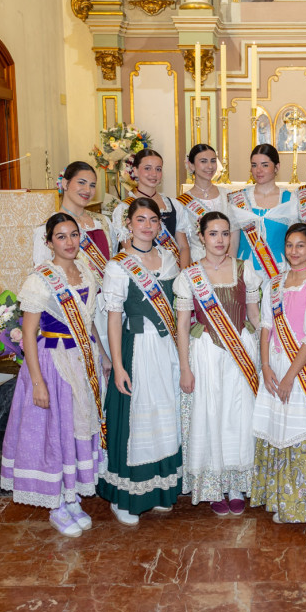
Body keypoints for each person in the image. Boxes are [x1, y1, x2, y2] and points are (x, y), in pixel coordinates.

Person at [0, 213, 106, 537]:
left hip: (83, 360)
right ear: (48, 243)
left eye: (74, 234)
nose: (70, 242)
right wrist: (37, 382)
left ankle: (72, 496)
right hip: (53, 362)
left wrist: (102, 353)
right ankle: (57, 503)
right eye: (61, 236)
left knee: (77, 430)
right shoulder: (40, 279)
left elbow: (88, 321)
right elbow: (29, 333)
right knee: (55, 432)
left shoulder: (86, 270)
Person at [97, 197, 183, 525]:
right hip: (136, 348)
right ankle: (125, 497)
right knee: (134, 419)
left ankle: (159, 490)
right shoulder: (118, 265)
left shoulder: (169, 259)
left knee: (165, 415)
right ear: (129, 223)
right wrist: (117, 365)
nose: (147, 226)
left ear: (159, 225)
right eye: (141, 219)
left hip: (166, 349)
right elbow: (113, 319)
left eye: (153, 220)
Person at [251, 224, 306, 523]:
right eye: (290, 245)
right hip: (275, 365)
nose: (294, 251)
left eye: (300, 245)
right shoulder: (274, 284)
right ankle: (279, 496)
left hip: (302, 369)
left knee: (297, 430)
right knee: (277, 429)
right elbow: (265, 326)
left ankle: (299, 502)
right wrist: (265, 366)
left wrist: (290, 376)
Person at [174, 212, 262, 515]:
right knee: (210, 413)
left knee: (239, 415)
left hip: (241, 351)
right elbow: (183, 325)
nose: (220, 240)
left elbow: (254, 315)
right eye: (213, 234)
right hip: (207, 352)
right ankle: (214, 486)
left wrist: (265, 355)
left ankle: (236, 484)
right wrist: (185, 367)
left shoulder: (244, 269)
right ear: (201, 236)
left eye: (225, 233)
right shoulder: (190, 275)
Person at [33, 162, 113, 354]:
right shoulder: (46, 229)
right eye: (82, 183)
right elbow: (45, 279)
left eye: (92, 185)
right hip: (76, 311)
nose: (88, 190)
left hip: (109, 308)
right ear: (66, 184)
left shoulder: (103, 222)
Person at [228, 144, 298, 283]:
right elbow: (233, 242)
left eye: (265, 165)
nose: (258, 170)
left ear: (276, 167)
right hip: (245, 271)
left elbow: (295, 240)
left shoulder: (290, 200)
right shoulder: (239, 199)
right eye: (254, 165)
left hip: (278, 270)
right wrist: (232, 276)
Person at [111, 148, 191, 268]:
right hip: (144, 276)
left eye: (158, 169)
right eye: (147, 168)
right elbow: (130, 249)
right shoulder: (125, 208)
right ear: (135, 171)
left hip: (174, 272)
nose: (154, 174)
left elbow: (184, 247)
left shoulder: (174, 205)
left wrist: (182, 276)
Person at [178, 144, 233, 263]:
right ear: (191, 165)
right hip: (198, 263)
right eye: (203, 161)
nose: (209, 166)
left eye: (213, 161)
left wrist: (231, 264)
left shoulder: (228, 196)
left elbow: (234, 234)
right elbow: (184, 245)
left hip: (226, 261)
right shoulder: (182, 203)